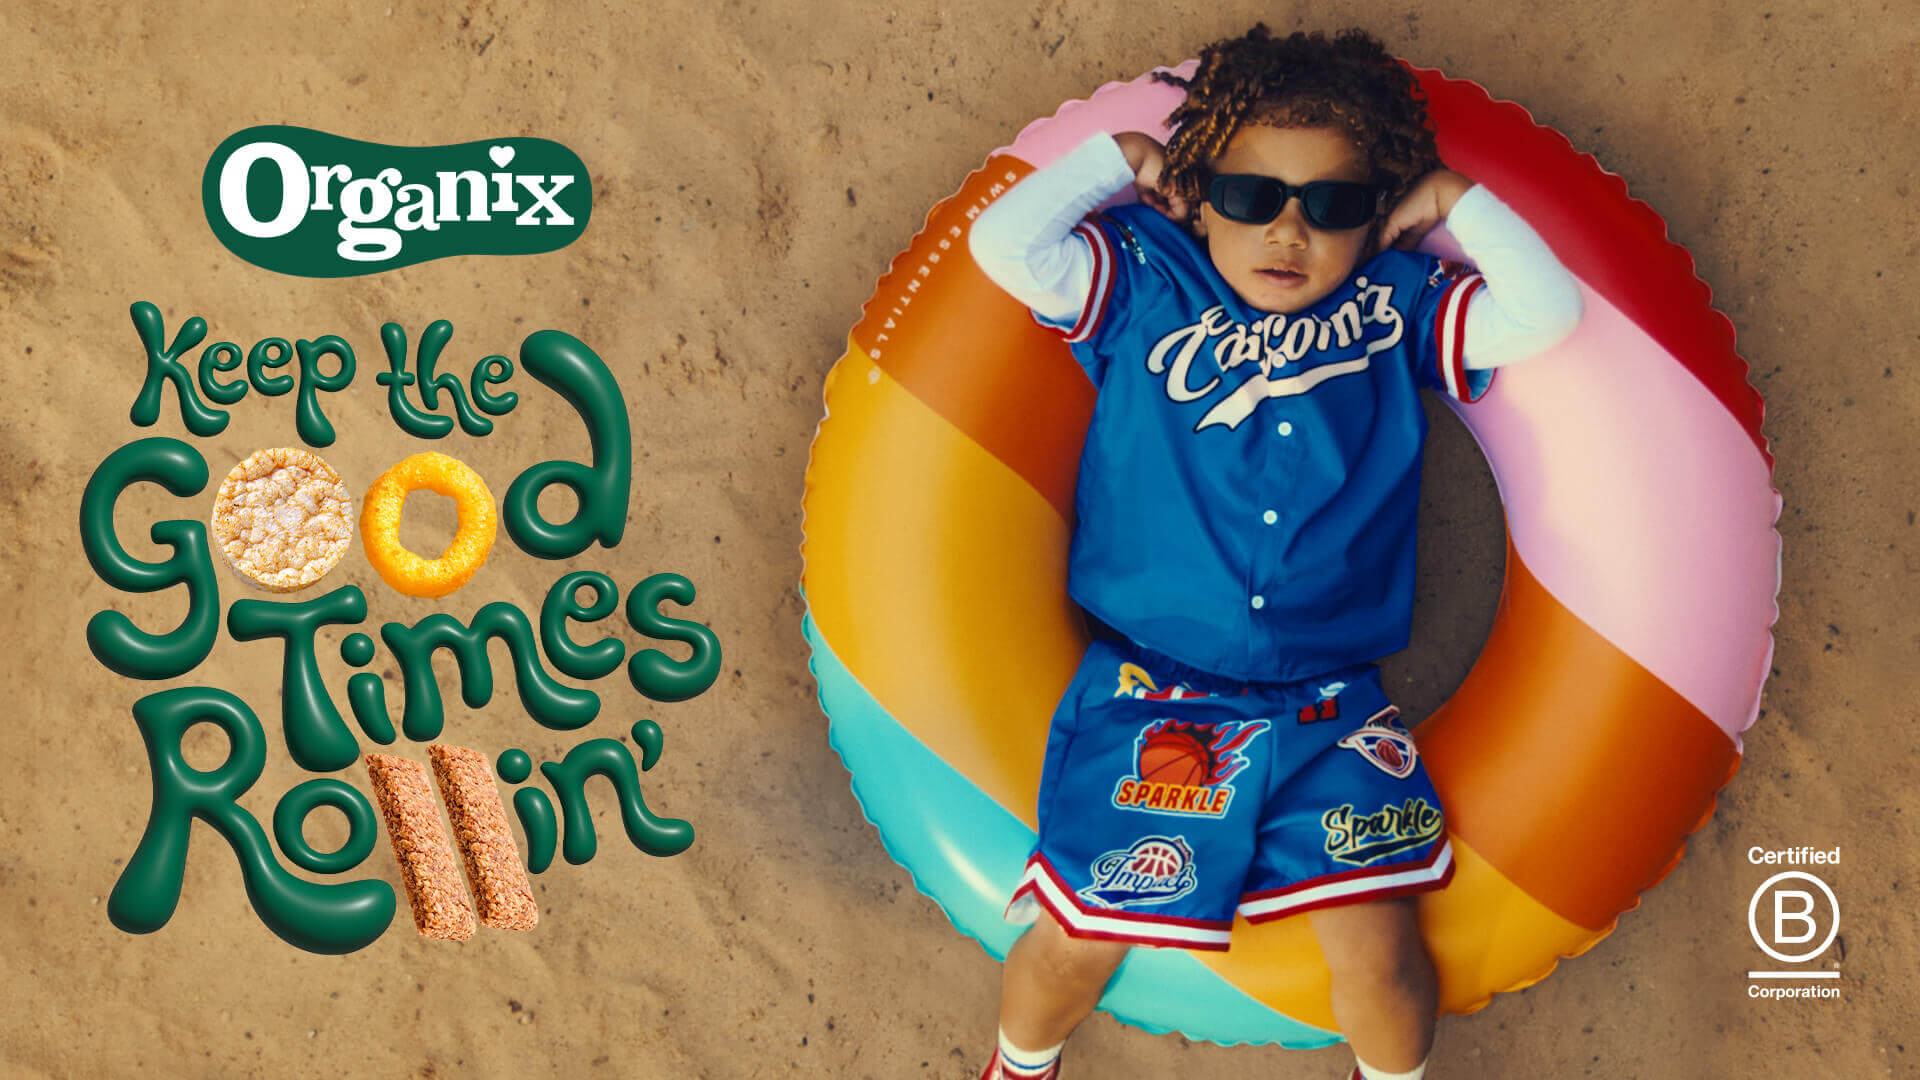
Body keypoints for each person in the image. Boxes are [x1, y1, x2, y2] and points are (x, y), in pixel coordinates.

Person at [965, 25, 1584, 1080]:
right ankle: (1018, 1067)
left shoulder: (1394, 306)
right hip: (1154, 698)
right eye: (1253, 197)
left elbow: (1545, 312)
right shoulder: (1145, 280)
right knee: (1079, 941)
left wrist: (1449, 201)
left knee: (1384, 961)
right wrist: (1117, 160)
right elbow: (1004, 250)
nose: (1288, 232)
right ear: (1199, 197)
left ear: (1373, 216)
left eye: (1332, 206)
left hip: (1330, 707)